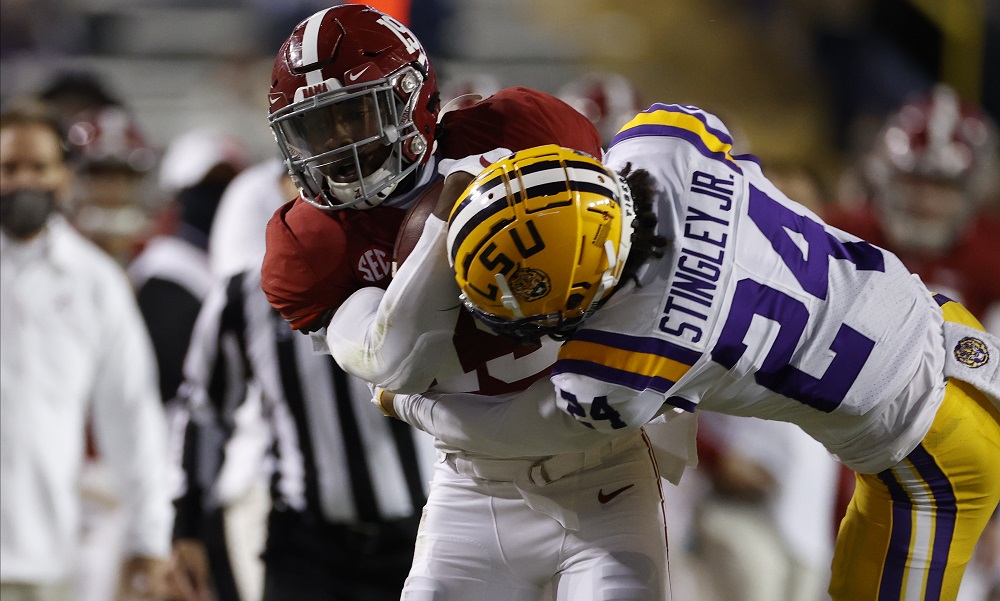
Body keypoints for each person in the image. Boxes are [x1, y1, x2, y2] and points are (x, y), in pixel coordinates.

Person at [380, 104, 1000, 601]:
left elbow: (506, 432)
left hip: (928, 457)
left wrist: (409, 403)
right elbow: (737, 167)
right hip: (945, 329)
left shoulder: (620, 363)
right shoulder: (661, 143)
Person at [259, 5, 689, 599]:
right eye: (316, 128)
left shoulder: (519, 130)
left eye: (353, 114)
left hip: (606, 475)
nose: (336, 146)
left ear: (411, 96)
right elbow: (394, 362)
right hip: (473, 487)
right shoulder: (311, 243)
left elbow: (632, 255)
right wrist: (446, 225)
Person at [0, 106, 172, 600]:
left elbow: (130, 414)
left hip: (50, 553)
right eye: (9, 168)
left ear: (64, 176)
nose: (24, 181)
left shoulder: (95, 282)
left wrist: (150, 535)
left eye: (38, 168)